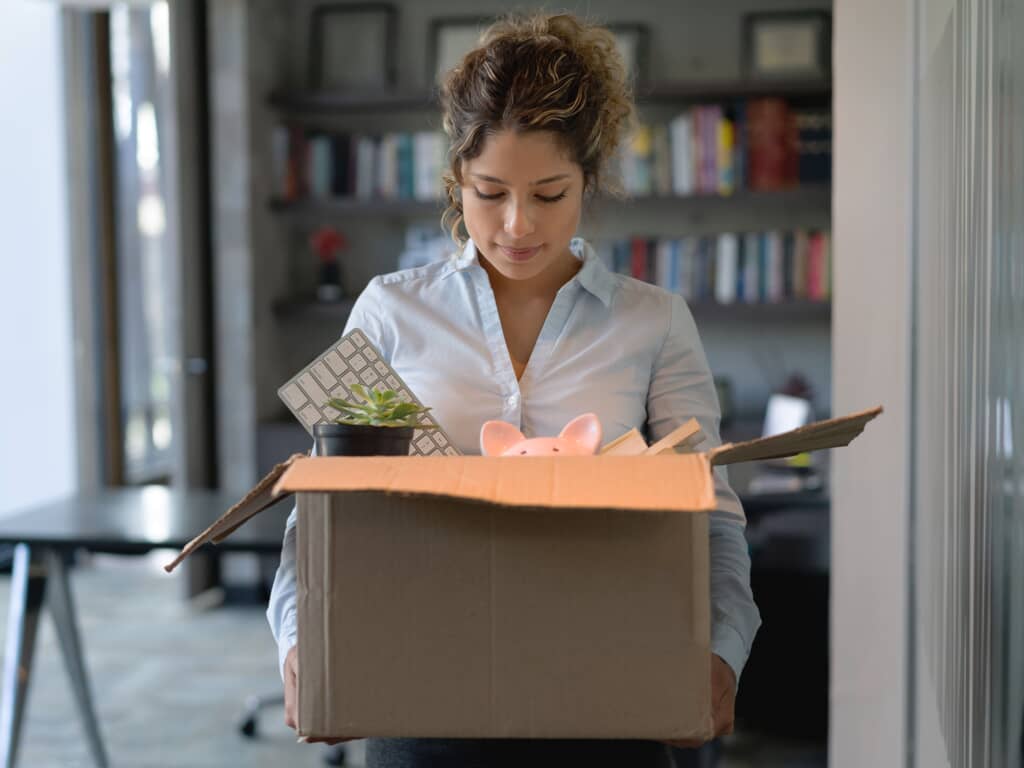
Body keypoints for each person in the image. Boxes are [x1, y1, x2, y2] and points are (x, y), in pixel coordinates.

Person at [267, 12, 761, 767]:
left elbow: (713, 517)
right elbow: (323, 509)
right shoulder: (392, 311)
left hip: (610, 700)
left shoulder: (655, 322)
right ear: (456, 178)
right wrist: (302, 641)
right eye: (490, 192)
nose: (517, 224)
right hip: (418, 695)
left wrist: (722, 652)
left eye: (550, 194)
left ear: (589, 182)